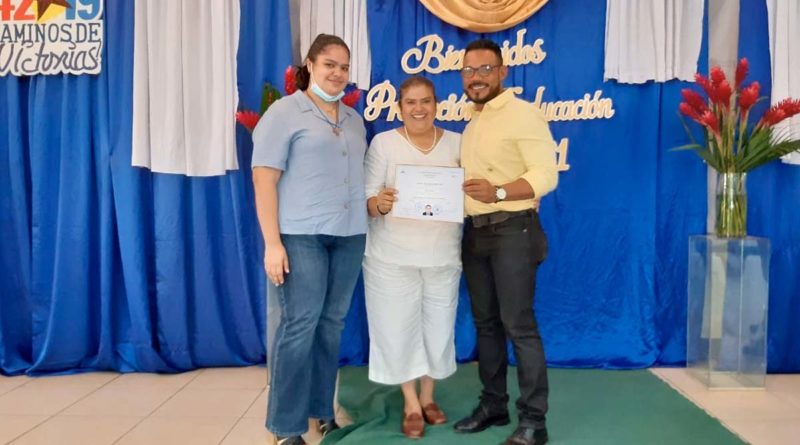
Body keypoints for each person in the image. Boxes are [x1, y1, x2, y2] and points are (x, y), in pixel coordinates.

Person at [251, 34, 368, 445]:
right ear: (310, 65)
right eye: (329, 64)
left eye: (344, 67)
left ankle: (323, 411)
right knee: (298, 327)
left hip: (351, 234)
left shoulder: (354, 120)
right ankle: (285, 429)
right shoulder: (284, 113)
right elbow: (264, 179)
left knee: (331, 325)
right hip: (300, 236)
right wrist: (272, 243)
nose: (337, 73)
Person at [453, 39, 559, 445]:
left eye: (484, 70)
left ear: (502, 73)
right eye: (469, 71)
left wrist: (497, 193)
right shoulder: (473, 121)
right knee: (486, 325)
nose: (476, 78)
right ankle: (493, 404)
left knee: (519, 325)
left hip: (514, 230)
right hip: (476, 234)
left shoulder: (523, 114)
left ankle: (534, 421)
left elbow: (546, 175)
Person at [363, 76, 462, 439]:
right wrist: (380, 203)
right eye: (410, 103)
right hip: (390, 257)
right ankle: (409, 402)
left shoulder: (457, 143)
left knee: (438, 329)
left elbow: (469, 194)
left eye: (425, 101)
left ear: (437, 104)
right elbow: (367, 199)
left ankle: (429, 396)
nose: (418, 109)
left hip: (443, 254)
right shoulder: (384, 144)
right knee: (396, 328)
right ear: (399, 108)